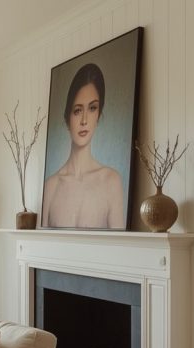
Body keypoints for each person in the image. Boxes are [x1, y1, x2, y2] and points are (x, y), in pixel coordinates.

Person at [42, 63, 125, 229]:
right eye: (78, 110)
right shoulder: (51, 185)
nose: (84, 120)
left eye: (92, 108)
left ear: (99, 115)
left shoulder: (111, 181)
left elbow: (119, 250)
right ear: (67, 117)